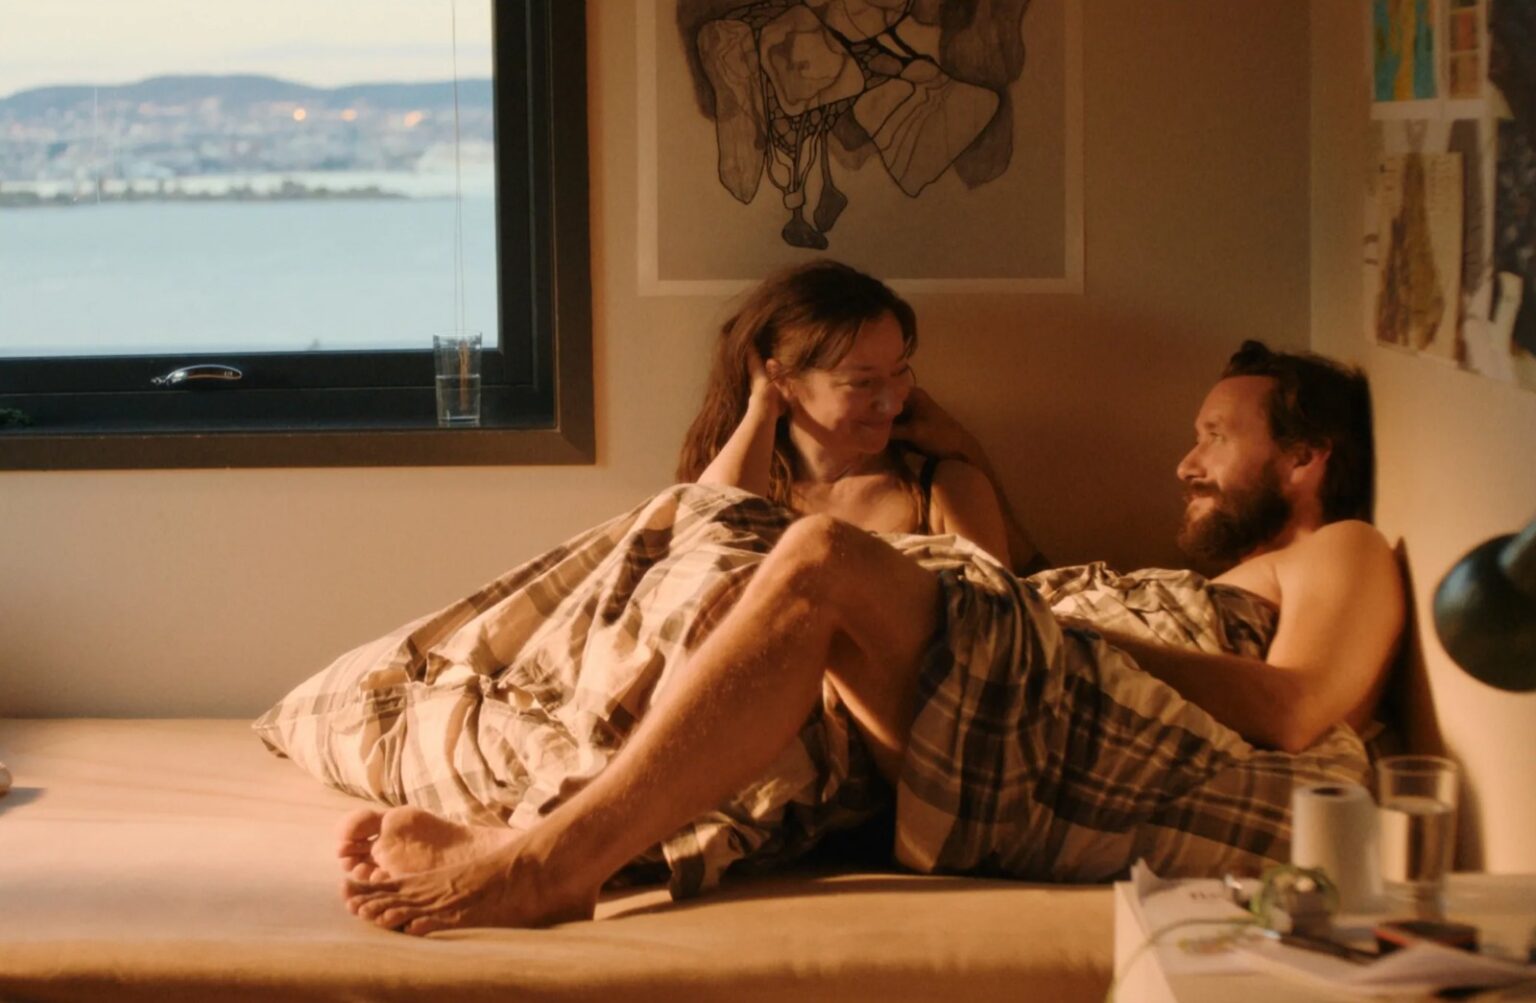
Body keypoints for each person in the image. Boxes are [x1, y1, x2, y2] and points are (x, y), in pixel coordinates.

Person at [337, 340, 1404, 935]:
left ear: (1304, 458)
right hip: (1044, 698)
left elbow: (1297, 709)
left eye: (1214, 436)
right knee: (706, 535)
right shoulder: (1228, 575)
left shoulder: (1346, 547)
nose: (1185, 463)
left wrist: (1054, 621)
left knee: (820, 561)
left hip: (1099, 723)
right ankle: (539, 800)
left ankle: (552, 863)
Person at [675, 259, 1029, 570]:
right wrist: (762, 408)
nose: (892, 404)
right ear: (782, 380)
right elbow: (698, 563)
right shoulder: (746, 486)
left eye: (899, 372)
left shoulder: (948, 490)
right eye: (862, 383)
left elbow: (1002, 617)